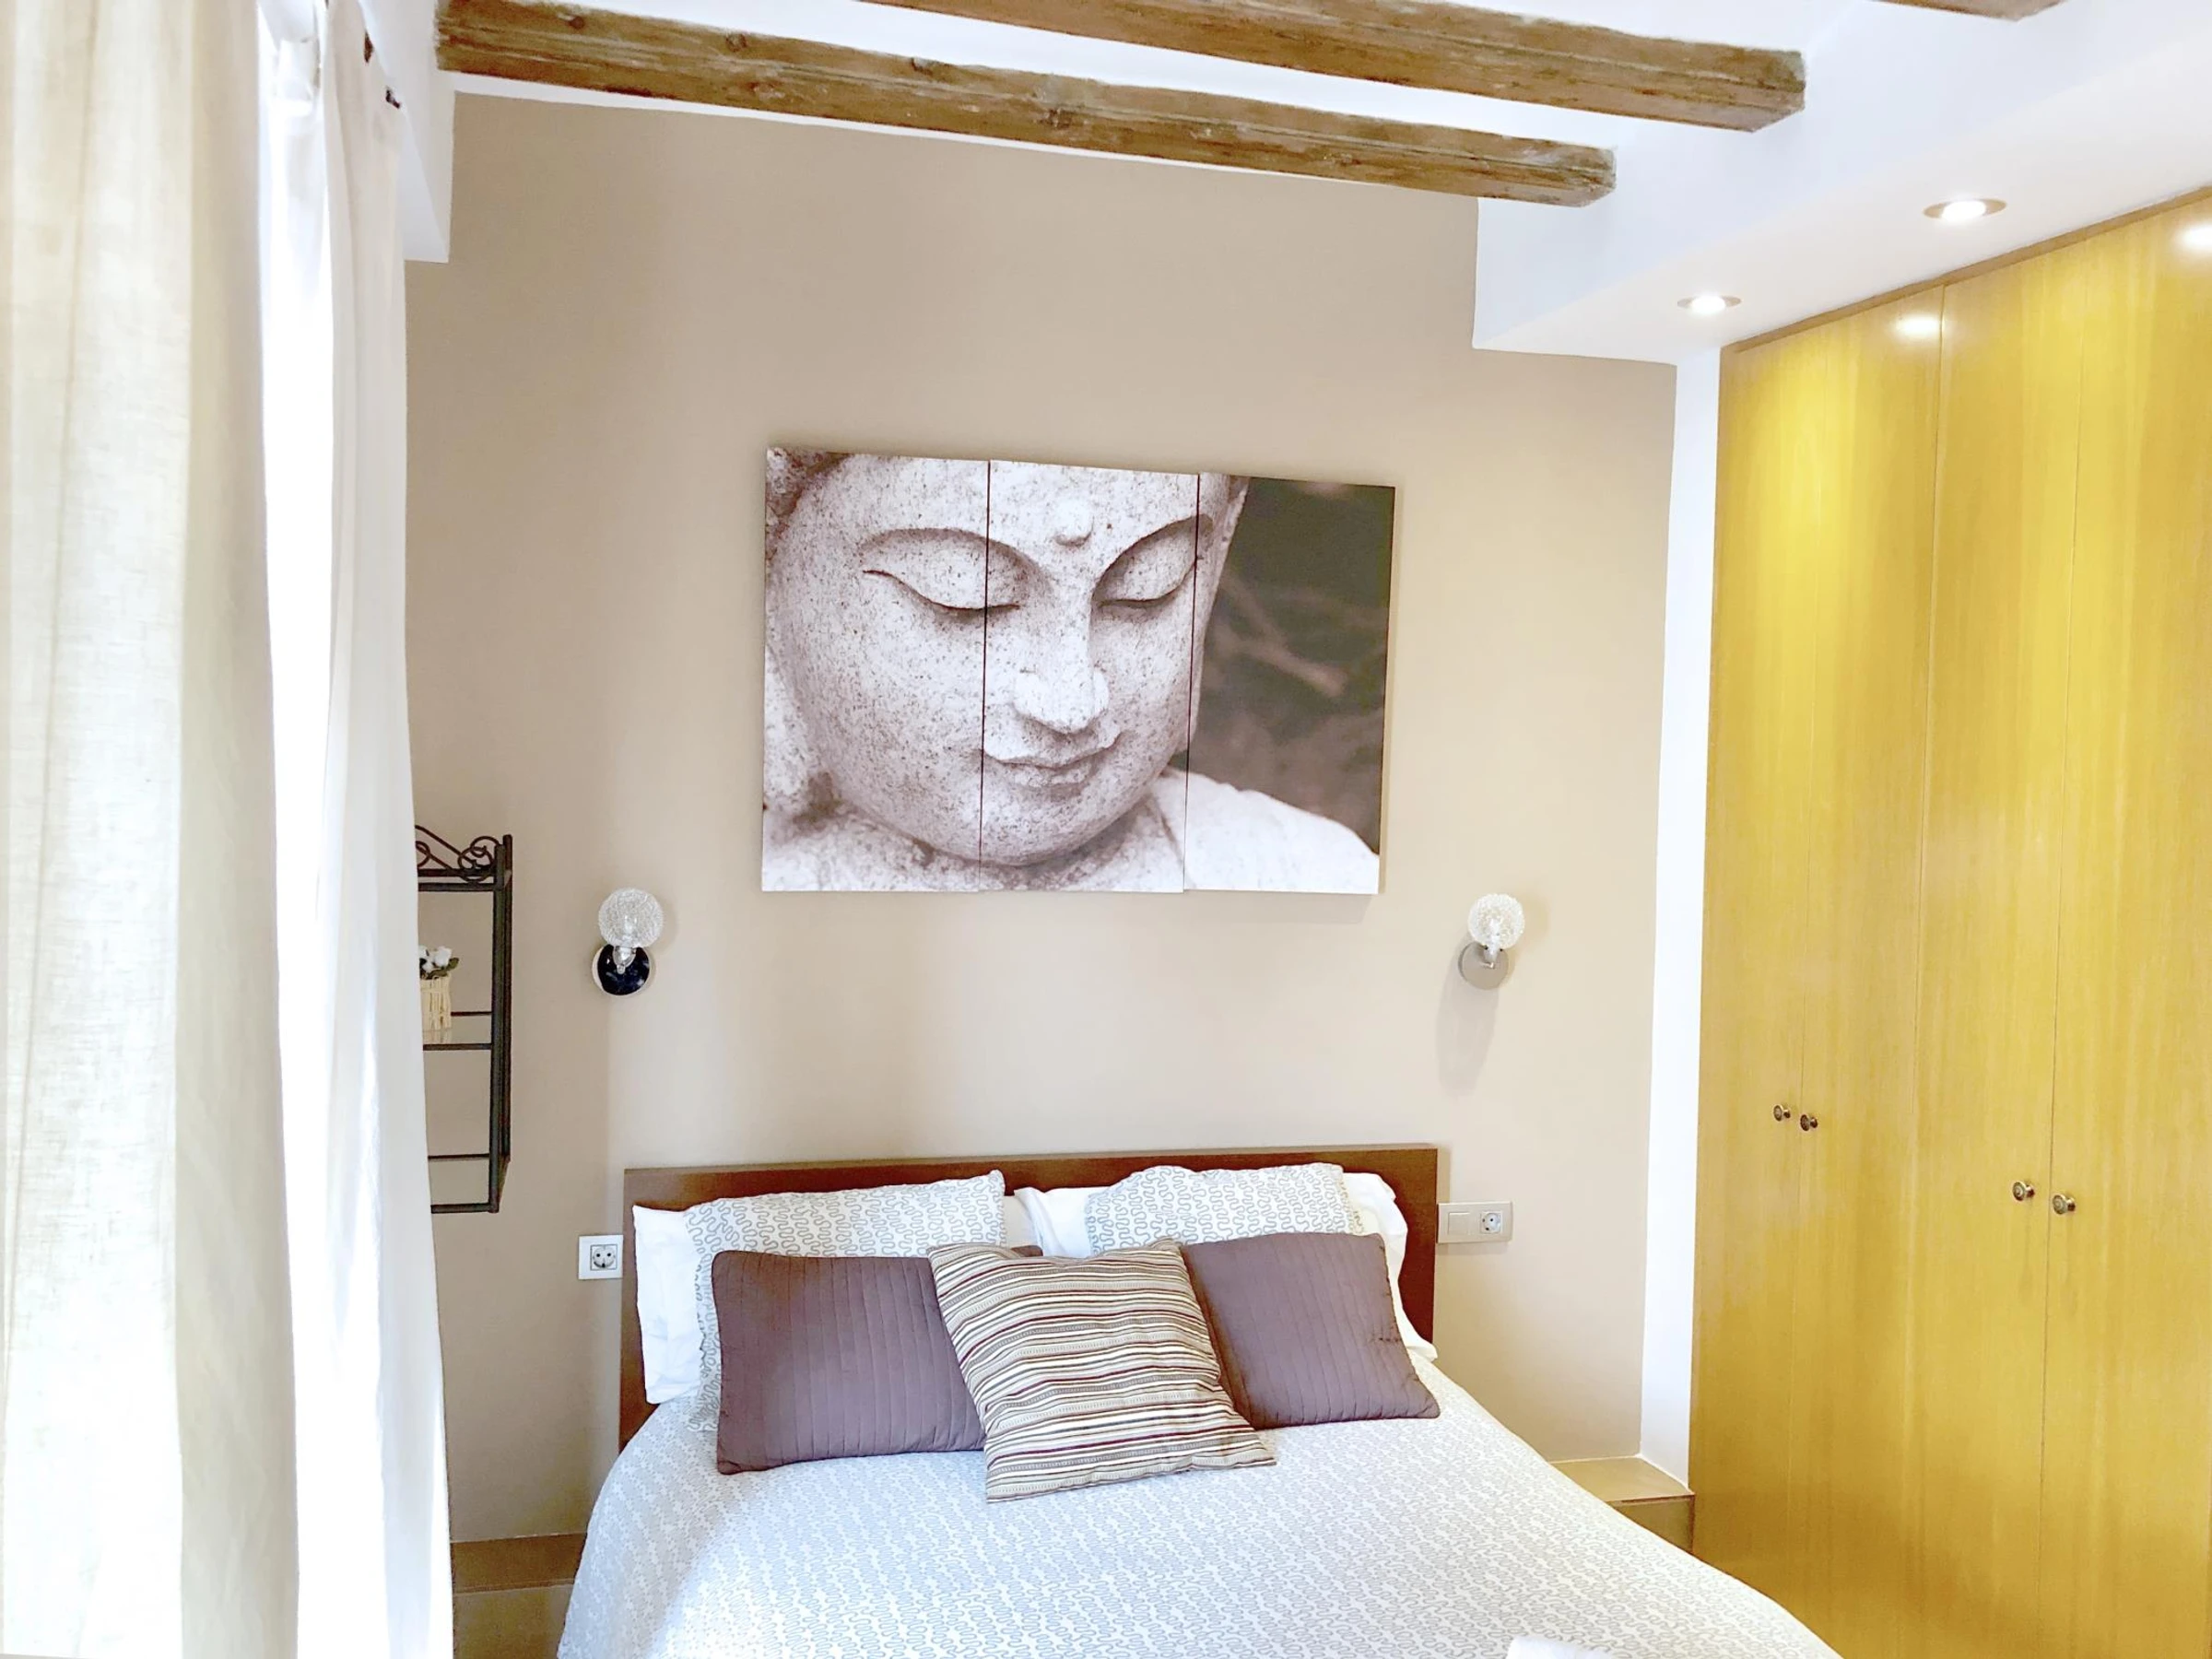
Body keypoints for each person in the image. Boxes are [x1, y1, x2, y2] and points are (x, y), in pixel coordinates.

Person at [760, 450, 1380, 893]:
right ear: (772, 601)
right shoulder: (733, 911)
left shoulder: (1304, 873)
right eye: (967, 598)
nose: (1071, 701)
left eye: (1146, 590)